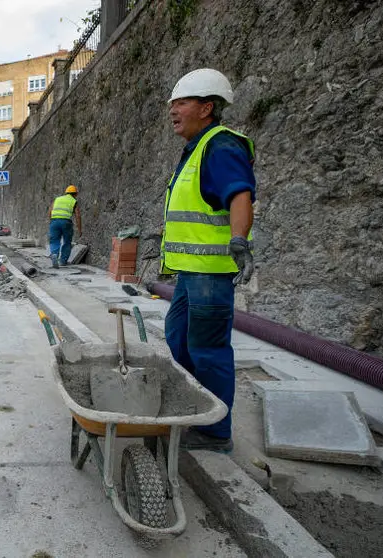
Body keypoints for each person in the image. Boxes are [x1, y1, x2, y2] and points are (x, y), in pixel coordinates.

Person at [161, 68, 257, 453]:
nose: (173, 111)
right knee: (178, 337)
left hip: (210, 274)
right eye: (172, 104)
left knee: (208, 350)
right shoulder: (196, 149)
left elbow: (239, 195)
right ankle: (195, 405)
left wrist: (238, 239)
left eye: (181, 103)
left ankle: (216, 432)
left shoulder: (221, 146)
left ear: (206, 107)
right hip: (190, 273)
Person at [48, 184, 83, 268]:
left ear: (66, 192)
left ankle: (54, 254)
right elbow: (78, 215)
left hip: (54, 221)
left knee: (54, 240)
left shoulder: (57, 199)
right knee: (67, 242)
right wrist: (80, 229)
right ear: (75, 194)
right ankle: (63, 261)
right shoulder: (74, 201)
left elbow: (50, 211)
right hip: (66, 222)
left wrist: (51, 221)